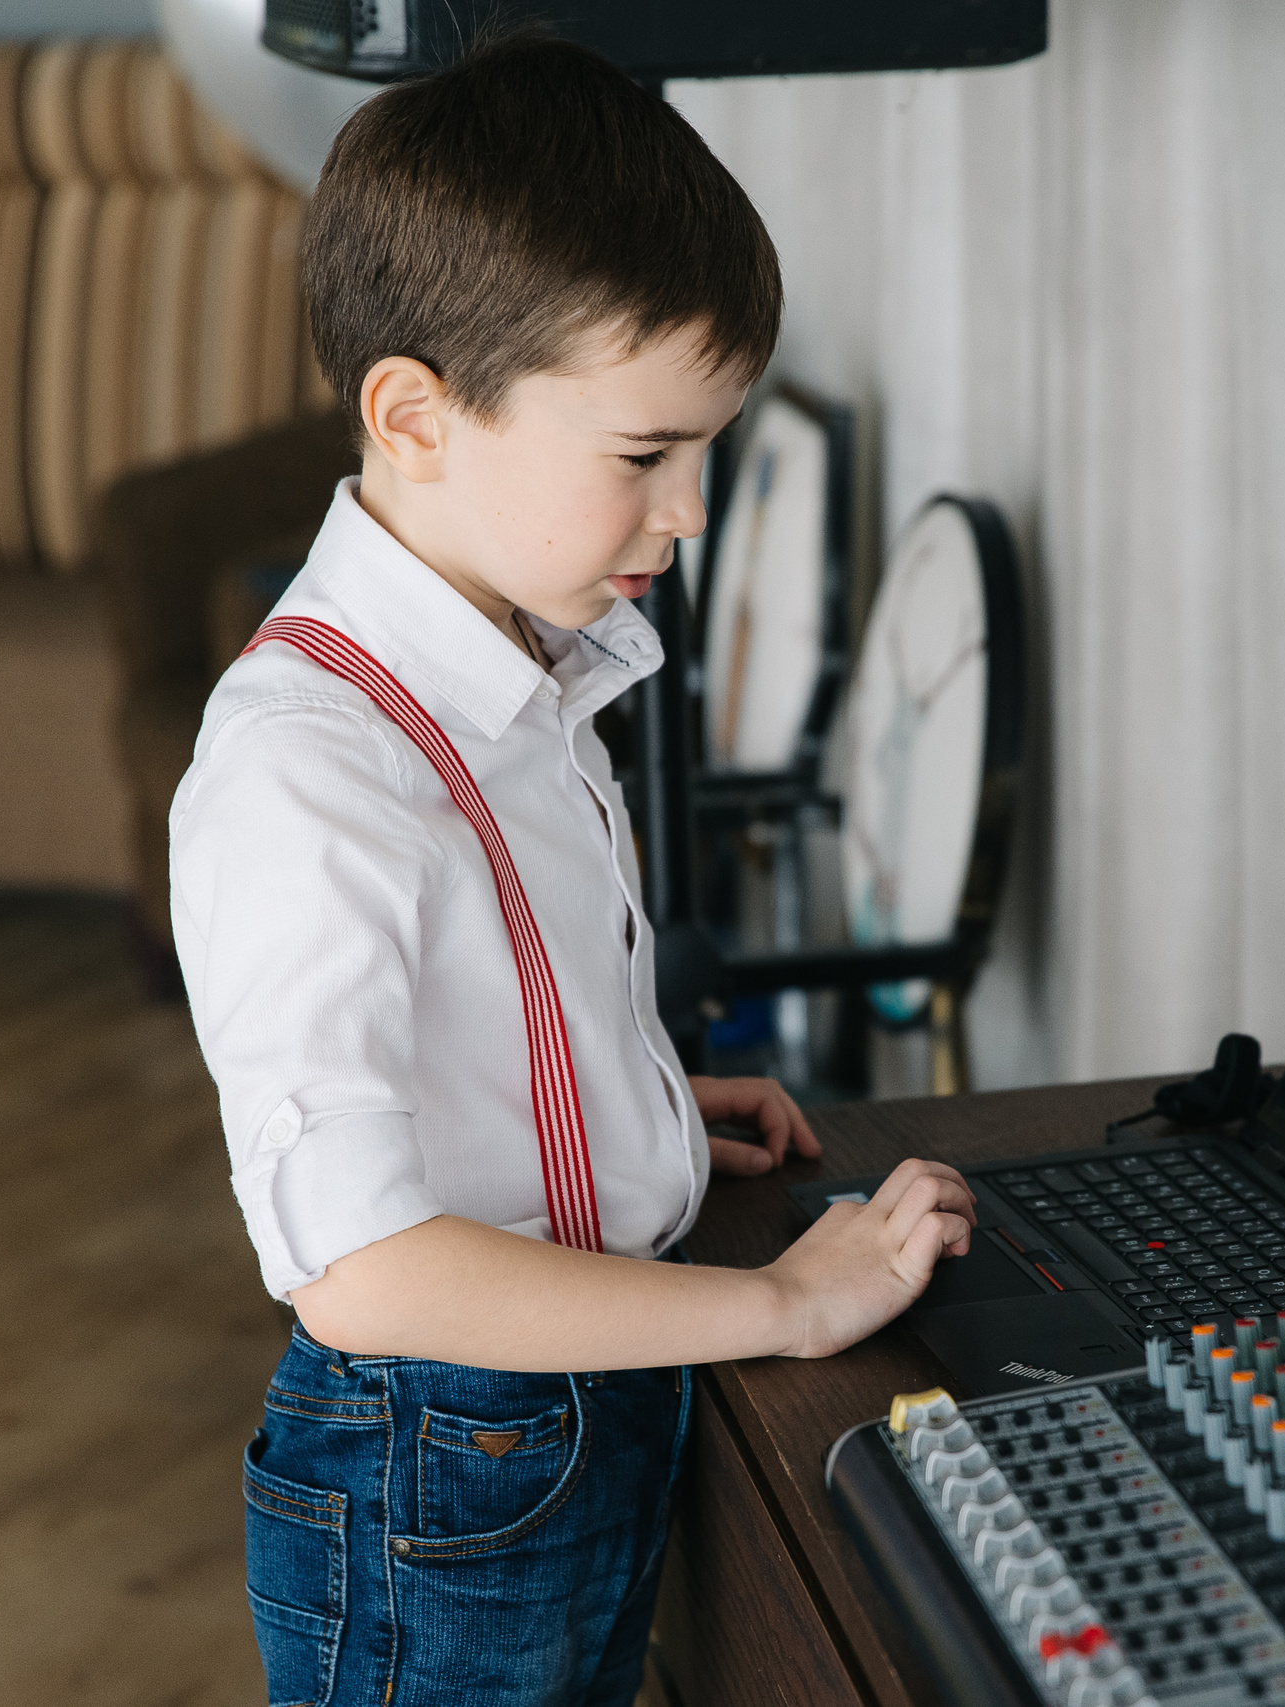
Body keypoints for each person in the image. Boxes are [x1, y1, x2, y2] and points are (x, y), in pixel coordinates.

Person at [168, 33, 976, 1707]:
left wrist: (639, 1108)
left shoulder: (524, 661)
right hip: (439, 1470)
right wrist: (781, 1309)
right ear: (417, 415)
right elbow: (364, 1267)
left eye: (707, 452)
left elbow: (483, 1002)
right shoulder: (306, 767)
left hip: (571, 1393)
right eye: (642, 455)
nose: (686, 513)